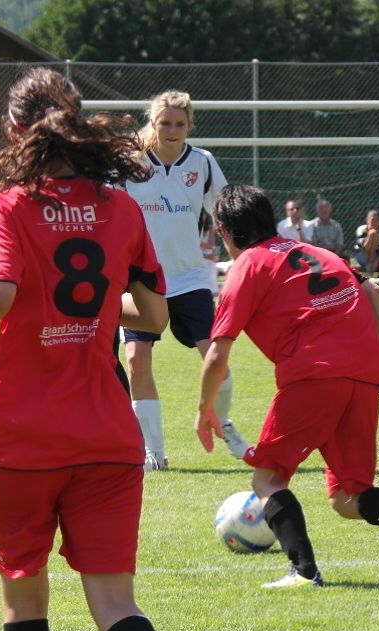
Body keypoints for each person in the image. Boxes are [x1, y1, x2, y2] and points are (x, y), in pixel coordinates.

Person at [0, 68, 185, 631]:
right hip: (107, 433)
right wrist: (93, 312)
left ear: (15, 130)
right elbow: (154, 314)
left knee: (24, 601)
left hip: (24, 437)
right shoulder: (120, 207)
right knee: (116, 600)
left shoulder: (7, 205)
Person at [195, 184, 379, 589]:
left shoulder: (248, 265)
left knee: (267, 480)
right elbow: (373, 290)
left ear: (225, 232)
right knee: (347, 497)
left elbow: (217, 354)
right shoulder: (318, 252)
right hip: (365, 374)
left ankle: (303, 571)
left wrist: (204, 410)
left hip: (314, 374)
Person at [123, 89, 247, 471]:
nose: (172, 130)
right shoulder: (129, 164)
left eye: (180, 123)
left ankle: (222, 422)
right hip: (141, 280)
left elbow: (226, 214)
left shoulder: (203, 163)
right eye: (165, 123)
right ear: (153, 122)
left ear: (190, 125)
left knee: (216, 359)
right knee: (136, 358)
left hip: (189, 277)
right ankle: (154, 454)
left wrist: (242, 261)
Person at [354, 210, 379, 282]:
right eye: (372, 220)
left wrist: (376, 261)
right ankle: (369, 266)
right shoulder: (361, 229)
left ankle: (375, 284)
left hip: (377, 255)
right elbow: (361, 246)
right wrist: (371, 235)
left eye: (376, 220)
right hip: (362, 254)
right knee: (372, 233)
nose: (374, 222)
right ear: (367, 220)